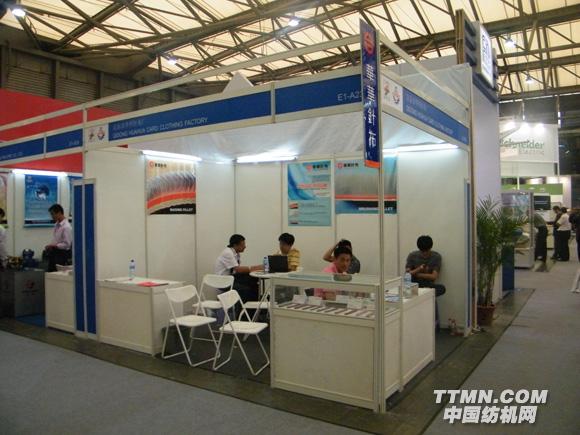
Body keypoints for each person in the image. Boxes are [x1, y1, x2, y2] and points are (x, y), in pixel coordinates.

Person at [214, 234, 262, 302]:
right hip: (223, 281)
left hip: (231, 277)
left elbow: (237, 270)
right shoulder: (228, 253)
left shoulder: (236, 254)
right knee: (246, 289)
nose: (245, 247)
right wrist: (257, 268)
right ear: (235, 245)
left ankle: (255, 304)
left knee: (253, 279)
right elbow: (238, 270)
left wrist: (256, 268)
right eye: (243, 245)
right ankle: (243, 307)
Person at [45, 204, 72, 272]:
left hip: (62, 255)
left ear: (59, 213)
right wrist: (51, 246)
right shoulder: (56, 225)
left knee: (57, 274)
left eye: (52, 214)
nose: (52, 216)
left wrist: (55, 246)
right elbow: (56, 239)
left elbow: (67, 244)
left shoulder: (66, 227)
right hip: (54, 253)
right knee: (51, 273)